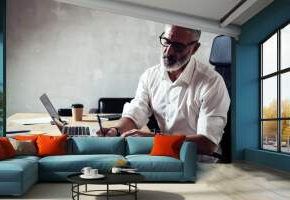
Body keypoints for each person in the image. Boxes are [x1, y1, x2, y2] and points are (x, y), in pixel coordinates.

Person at [97, 24, 230, 157]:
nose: (168, 51)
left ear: (194, 48)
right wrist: (115, 130)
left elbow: (208, 143)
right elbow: (136, 112)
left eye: (178, 46)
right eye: (166, 42)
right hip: (165, 155)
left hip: (199, 162)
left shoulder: (212, 82)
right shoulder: (150, 75)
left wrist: (154, 139)